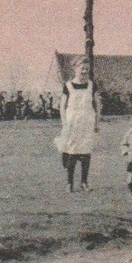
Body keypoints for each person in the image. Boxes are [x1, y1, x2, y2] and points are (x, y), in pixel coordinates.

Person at [54, 58, 100, 191]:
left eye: (87, 69)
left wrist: (97, 122)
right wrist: (64, 123)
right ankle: (69, 183)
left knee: (86, 153)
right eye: (82, 69)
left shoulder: (92, 85)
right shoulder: (68, 86)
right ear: (75, 69)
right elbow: (62, 106)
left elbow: (97, 105)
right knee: (72, 153)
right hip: (72, 123)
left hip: (87, 123)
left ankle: (84, 182)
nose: (85, 71)